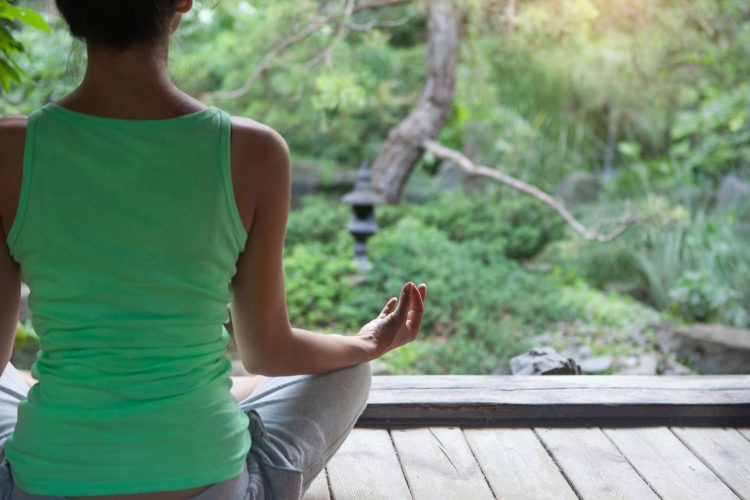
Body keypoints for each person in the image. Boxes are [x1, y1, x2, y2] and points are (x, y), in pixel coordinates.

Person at [0, 1, 427, 499]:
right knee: (349, 371)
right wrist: (370, 344)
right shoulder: (255, 151)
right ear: (182, 2)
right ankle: (212, 397)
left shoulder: (10, 150)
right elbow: (268, 349)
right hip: (207, 483)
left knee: (9, 380)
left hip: (48, 480)